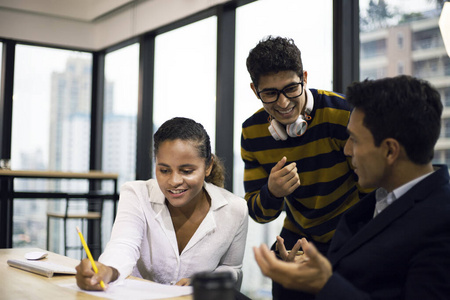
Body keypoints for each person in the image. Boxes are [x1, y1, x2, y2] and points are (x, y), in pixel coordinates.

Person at [253, 75, 450, 299]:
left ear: (389, 151)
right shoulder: (376, 202)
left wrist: (324, 283)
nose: (346, 150)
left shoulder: (441, 223)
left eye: (354, 139)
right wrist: (304, 276)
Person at [241, 35, 366, 299]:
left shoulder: (342, 114)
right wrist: (271, 192)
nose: (283, 103)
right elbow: (257, 212)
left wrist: (351, 247)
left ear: (304, 78)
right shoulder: (252, 132)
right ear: (255, 90)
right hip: (298, 240)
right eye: (270, 94)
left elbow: (373, 191)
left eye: (291, 89)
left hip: (351, 234)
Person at [76, 117, 249, 290]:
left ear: (208, 166)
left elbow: (232, 268)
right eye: (164, 170)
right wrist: (108, 270)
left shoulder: (235, 209)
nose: (174, 181)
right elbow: (123, 244)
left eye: (187, 171)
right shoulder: (136, 194)